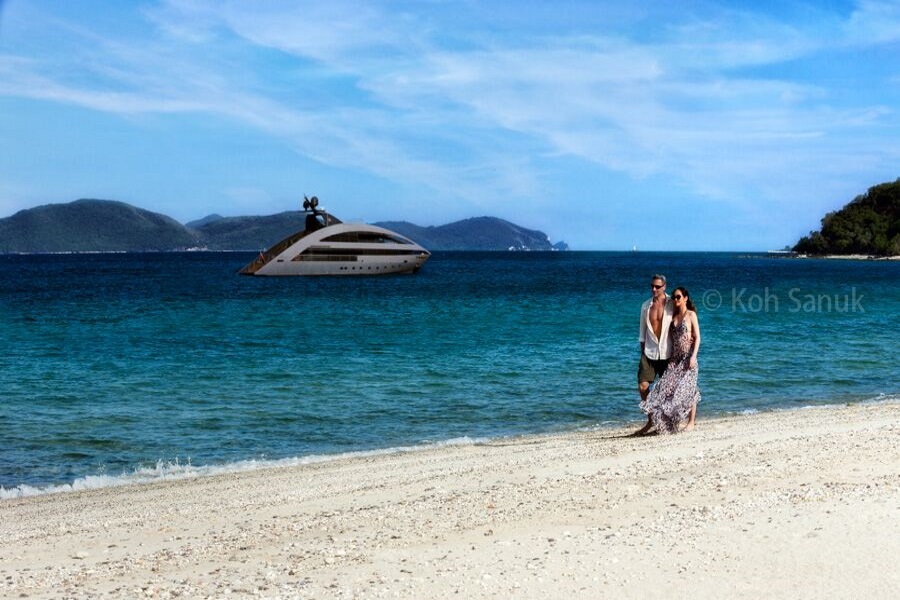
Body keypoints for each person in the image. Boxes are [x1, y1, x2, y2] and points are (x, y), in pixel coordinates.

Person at [640, 286, 701, 434]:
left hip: (688, 358)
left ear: (685, 298)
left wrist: (693, 357)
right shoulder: (672, 314)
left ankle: (691, 422)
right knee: (665, 390)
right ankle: (662, 422)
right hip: (674, 360)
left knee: (690, 389)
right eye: (674, 297)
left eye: (678, 297)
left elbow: (698, 337)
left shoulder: (691, 315)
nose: (675, 299)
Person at [633, 274, 674, 436]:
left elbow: (682, 321)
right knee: (642, 386)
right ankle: (651, 419)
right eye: (652, 286)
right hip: (649, 352)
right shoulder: (645, 306)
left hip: (667, 352)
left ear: (664, 286)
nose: (654, 289)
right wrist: (642, 351)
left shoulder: (672, 304)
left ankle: (666, 421)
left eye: (657, 286)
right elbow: (642, 332)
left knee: (667, 391)